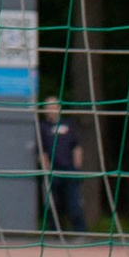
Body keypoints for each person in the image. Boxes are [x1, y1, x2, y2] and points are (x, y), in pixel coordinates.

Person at [36, 91, 88, 236]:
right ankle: (54, 233)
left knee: (74, 203)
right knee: (52, 204)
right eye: (47, 107)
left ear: (58, 107)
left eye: (53, 106)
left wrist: (77, 167)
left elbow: (77, 146)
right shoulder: (42, 126)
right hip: (53, 171)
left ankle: (80, 233)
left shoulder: (68, 124)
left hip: (69, 170)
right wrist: (46, 168)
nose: (50, 109)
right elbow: (40, 151)